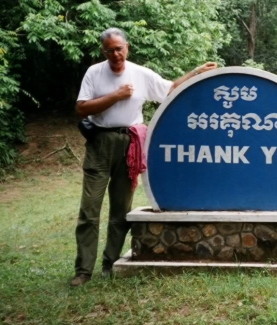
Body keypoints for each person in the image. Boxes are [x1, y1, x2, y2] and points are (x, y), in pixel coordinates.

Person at [70, 27, 217, 287]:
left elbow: (169, 89)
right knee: (89, 210)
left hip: (129, 143)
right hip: (99, 143)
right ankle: (83, 270)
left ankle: (110, 263)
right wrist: (115, 96)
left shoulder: (140, 73)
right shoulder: (94, 73)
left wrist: (195, 72)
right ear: (103, 51)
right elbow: (81, 108)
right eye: (109, 50)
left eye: (119, 48)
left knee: (120, 209)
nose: (115, 54)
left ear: (127, 47)